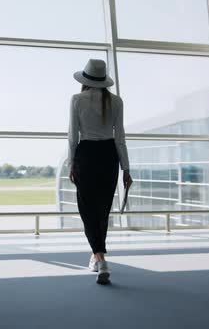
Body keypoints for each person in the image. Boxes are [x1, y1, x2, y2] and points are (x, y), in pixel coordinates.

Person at [68, 59, 132, 285]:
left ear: (85, 80)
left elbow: (72, 137)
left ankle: (100, 257)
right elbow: (120, 138)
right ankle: (98, 257)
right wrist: (126, 168)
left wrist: (71, 164)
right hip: (108, 156)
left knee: (87, 209)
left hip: (86, 155)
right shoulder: (116, 101)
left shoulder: (77, 100)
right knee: (102, 209)